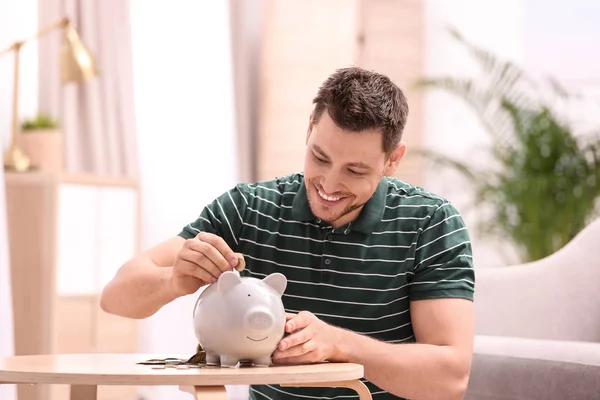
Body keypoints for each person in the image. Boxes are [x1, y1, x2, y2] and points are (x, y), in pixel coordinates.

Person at [100, 66, 475, 400]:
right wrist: (174, 281)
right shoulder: (249, 209)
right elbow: (116, 298)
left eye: (355, 171)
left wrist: (340, 344)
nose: (329, 184)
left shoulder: (431, 223)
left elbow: (449, 379)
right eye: (320, 157)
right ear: (310, 127)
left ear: (392, 159)